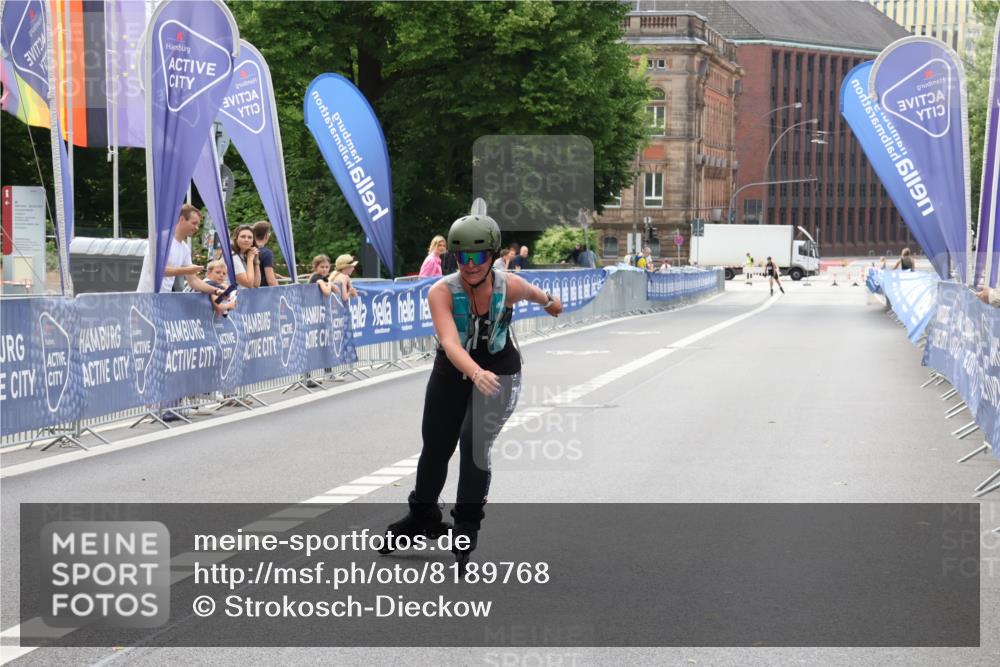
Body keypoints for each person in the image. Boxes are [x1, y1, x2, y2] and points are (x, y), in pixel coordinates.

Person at [378, 213, 563, 573]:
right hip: (454, 370)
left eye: (479, 258)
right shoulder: (441, 291)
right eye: (462, 257)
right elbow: (449, 342)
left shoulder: (509, 286)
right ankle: (423, 515)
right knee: (436, 444)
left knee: (474, 440)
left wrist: (551, 303)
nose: (471, 265)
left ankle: (466, 522)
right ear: (453, 259)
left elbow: (537, 295)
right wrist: (474, 372)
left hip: (500, 373)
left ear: (493, 256)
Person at [252, 221, 279, 287]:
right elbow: (270, 280)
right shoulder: (267, 253)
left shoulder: (249, 250)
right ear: (266, 236)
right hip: (263, 292)